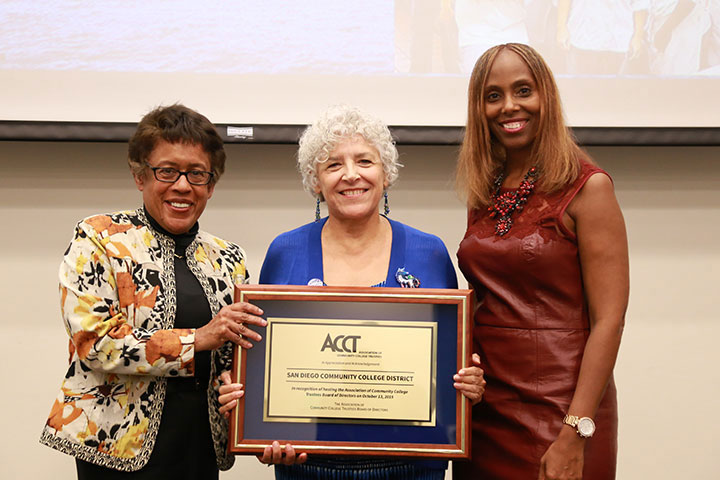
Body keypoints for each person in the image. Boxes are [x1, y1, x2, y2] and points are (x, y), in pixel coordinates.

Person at [219, 105, 486, 479]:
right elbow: (260, 363)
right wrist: (249, 410)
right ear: (316, 180)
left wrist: (466, 382)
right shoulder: (286, 253)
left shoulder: (430, 252)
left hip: (412, 468)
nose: (350, 175)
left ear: (386, 173)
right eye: (332, 165)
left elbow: (449, 360)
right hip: (308, 469)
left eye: (364, 161)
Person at [39, 104, 267, 478]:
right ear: (140, 176)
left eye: (197, 174)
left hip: (199, 446)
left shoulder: (229, 258)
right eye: (167, 171)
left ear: (211, 185)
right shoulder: (98, 238)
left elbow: (233, 357)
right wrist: (198, 338)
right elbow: (95, 343)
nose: (182, 186)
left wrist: (246, 400)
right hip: (114, 449)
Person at [454, 44, 628, 479]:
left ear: (546, 97)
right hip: (486, 414)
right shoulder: (486, 190)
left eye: (523, 90)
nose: (509, 106)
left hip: (563, 412)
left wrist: (575, 430)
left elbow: (610, 320)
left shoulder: (590, 188)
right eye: (493, 96)